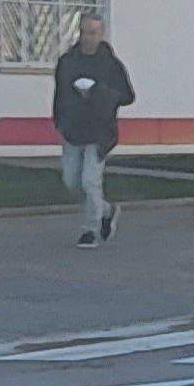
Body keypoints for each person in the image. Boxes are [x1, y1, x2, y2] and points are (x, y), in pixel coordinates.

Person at [50, 15, 133, 248]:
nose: (89, 38)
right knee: (71, 180)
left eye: (94, 33)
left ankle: (90, 230)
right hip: (72, 128)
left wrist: (99, 93)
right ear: (80, 33)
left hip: (99, 130)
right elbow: (60, 94)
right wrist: (59, 121)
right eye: (85, 32)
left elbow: (127, 95)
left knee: (90, 181)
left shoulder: (110, 64)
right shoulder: (68, 62)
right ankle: (106, 210)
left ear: (101, 34)